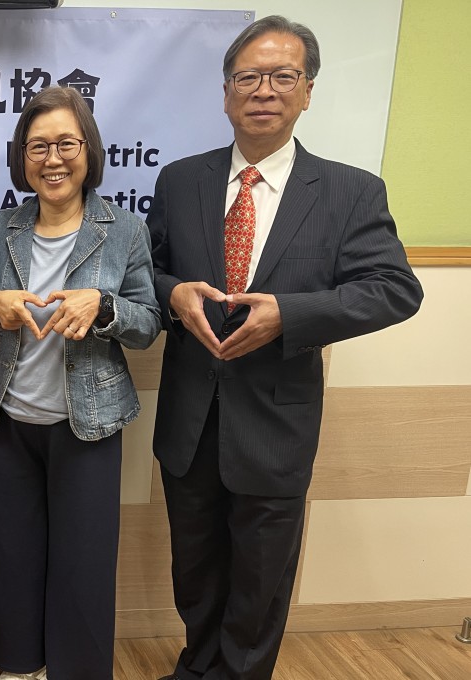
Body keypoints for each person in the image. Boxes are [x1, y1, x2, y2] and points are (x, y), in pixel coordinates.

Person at [146, 16, 424, 680]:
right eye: (248, 76)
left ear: (307, 92)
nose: (263, 90)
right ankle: (197, 669)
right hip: (189, 421)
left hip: (277, 422)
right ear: (225, 93)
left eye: (282, 76)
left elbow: (394, 289)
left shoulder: (351, 192)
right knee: (195, 572)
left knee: (260, 583)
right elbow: (144, 274)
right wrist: (173, 293)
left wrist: (290, 315)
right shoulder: (180, 181)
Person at [0, 86, 162, 680]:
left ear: (88, 151)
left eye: (67, 143)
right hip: (8, 421)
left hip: (88, 424)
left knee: (83, 561)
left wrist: (104, 307)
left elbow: (148, 325)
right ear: (22, 156)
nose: (53, 159)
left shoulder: (123, 231)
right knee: (9, 556)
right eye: (39, 146)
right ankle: (17, 666)